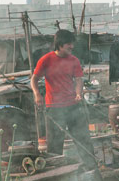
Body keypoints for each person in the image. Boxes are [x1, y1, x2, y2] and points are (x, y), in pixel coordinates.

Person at [31, 29, 97, 171]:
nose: (72, 47)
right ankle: (56, 175)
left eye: (72, 43)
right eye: (68, 44)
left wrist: (79, 93)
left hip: (73, 106)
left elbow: (79, 80)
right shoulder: (46, 60)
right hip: (54, 108)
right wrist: (37, 94)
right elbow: (34, 79)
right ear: (60, 44)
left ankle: (92, 169)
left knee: (83, 139)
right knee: (54, 145)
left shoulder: (74, 61)